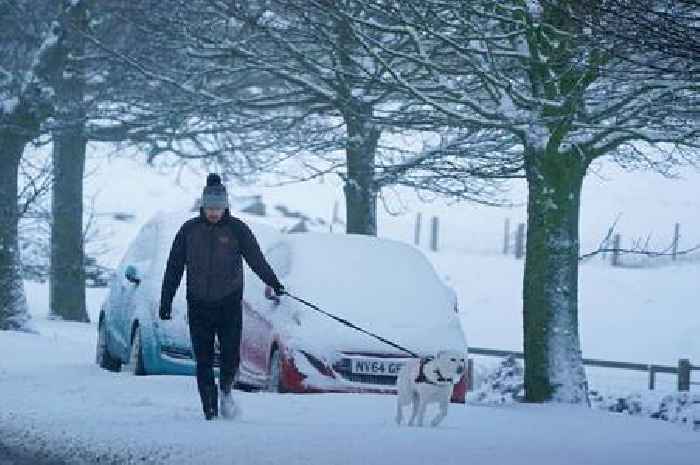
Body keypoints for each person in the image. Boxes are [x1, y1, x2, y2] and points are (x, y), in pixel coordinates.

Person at [159, 173, 286, 420]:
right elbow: (173, 268)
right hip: (198, 304)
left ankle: (226, 391)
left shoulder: (237, 230)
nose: (214, 213)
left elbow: (256, 260)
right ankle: (210, 409)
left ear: (225, 206)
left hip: (228, 304)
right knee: (203, 360)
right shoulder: (189, 231)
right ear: (203, 206)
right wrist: (166, 301)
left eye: (218, 208)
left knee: (230, 357)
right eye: (210, 208)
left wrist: (274, 283)